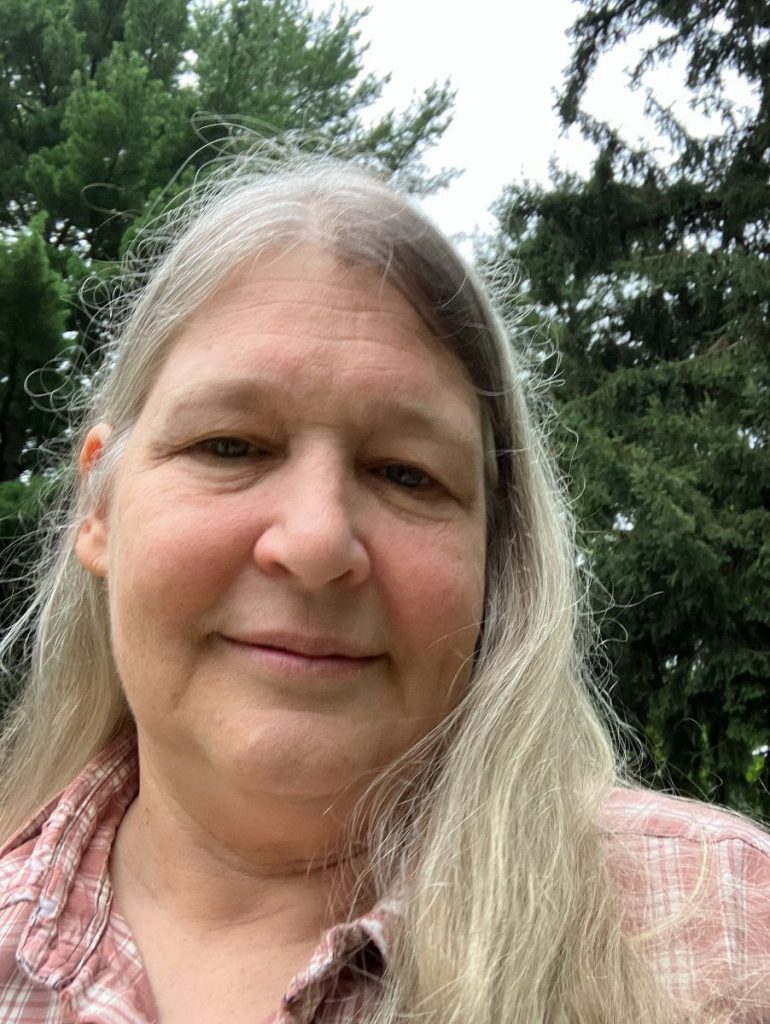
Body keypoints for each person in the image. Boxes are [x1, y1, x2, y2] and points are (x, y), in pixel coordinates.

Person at [0, 154, 768, 1024]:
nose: (316, 543)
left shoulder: (731, 933)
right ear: (99, 507)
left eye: (406, 473)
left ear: (497, 556)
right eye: (230, 446)